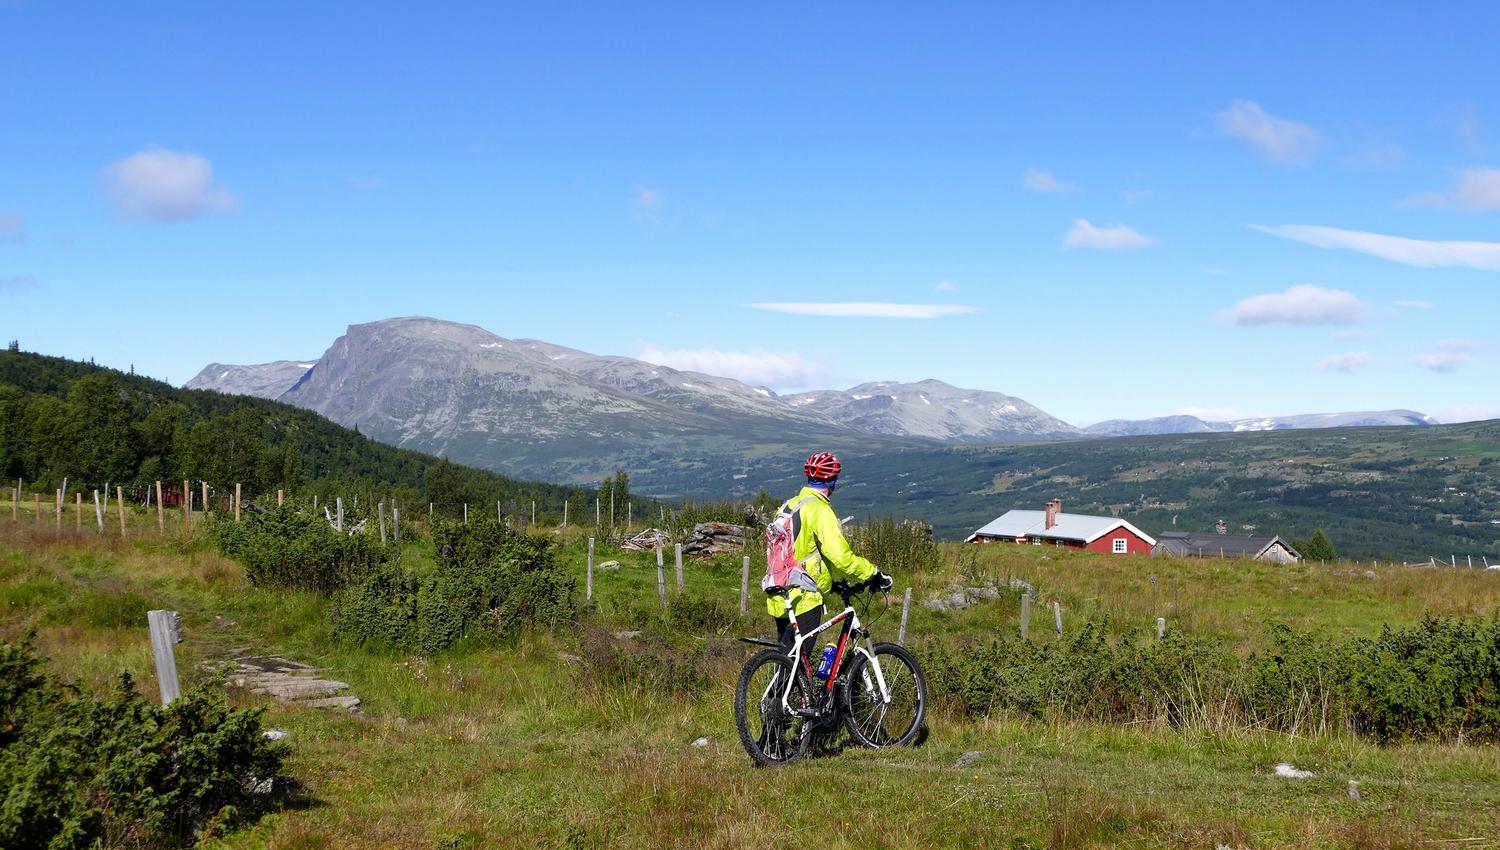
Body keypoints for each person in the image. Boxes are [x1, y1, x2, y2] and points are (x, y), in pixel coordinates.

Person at [768, 451, 894, 658]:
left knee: (788, 661)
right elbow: (841, 556)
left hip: (780, 593)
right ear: (832, 480)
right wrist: (874, 574)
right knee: (796, 663)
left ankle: (787, 691)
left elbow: (799, 551)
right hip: (804, 596)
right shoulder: (819, 509)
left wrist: (831, 582)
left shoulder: (788, 505)